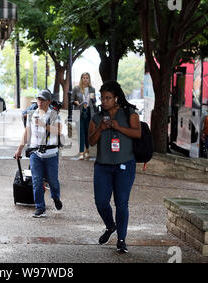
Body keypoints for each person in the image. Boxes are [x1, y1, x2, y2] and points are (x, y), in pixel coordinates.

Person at [88, 81, 141, 253]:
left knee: (122, 203)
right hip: (102, 167)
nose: (104, 101)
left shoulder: (129, 113)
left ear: (116, 98)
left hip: (125, 165)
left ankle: (121, 240)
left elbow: (137, 133)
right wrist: (101, 129)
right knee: (101, 202)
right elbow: (90, 141)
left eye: (108, 98)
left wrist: (119, 127)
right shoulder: (96, 117)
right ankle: (111, 226)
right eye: (102, 98)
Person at [14, 89, 63, 218]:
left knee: (53, 181)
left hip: (51, 153)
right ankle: (40, 207)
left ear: (49, 102)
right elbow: (27, 132)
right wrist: (19, 149)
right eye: (38, 99)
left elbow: (58, 131)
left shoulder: (54, 115)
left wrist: (43, 125)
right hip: (36, 152)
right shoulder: (31, 114)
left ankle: (55, 197)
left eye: (43, 100)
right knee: (36, 181)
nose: (40, 102)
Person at [72, 72, 97, 160]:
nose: (85, 79)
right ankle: (81, 152)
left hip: (89, 112)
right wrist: (76, 102)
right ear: (81, 79)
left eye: (87, 78)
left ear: (89, 79)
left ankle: (87, 150)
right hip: (79, 112)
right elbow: (71, 100)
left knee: (87, 132)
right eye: (84, 78)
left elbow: (94, 102)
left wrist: (93, 99)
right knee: (80, 132)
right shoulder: (76, 88)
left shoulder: (92, 89)